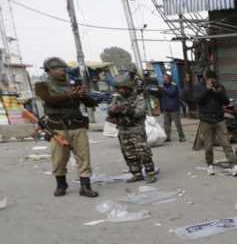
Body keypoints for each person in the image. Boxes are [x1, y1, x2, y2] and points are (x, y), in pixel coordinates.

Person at [34, 57, 98, 197]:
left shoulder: (73, 84)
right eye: (58, 69)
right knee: (59, 159)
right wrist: (69, 95)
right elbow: (49, 100)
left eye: (63, 69)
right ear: (49, 71)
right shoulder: (42, 85)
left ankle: (85, 186)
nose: (62, 71)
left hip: (77, 125)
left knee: (83, 157)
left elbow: (92, 104)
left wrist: (83, 95)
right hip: (58, 128)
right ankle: (61, 185)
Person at [108, 74, 157, 183]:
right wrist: (112, 111)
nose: (120, 90)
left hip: (136, 129)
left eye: (122, 88)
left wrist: (124, 109)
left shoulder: (138, 97)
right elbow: (110, 108)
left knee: (143, 152)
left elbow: (139, 112)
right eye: (118, 88)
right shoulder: (117, 97)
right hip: (123, 129)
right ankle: (137, 174)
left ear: (128, 87)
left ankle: (150, 173)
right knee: (129, 153)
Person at [194, 70, 235, 175]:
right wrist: (207, 90)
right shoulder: (199, 87)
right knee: (208, 146)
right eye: (210, 79)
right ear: (206, 78)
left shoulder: (220, 86)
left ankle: (233, 165)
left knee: (226, 143)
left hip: (219, 119)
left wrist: (219, 92)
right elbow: (198, 101)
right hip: (206, 120)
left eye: (214, 79)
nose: (212, 81)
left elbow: (226, 102)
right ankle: (210, 165)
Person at [160, 73, 185, 142]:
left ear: (169, 79)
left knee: (177, 123)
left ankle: (181, 136)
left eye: (166, 78)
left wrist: (163, 88)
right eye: (164, 78)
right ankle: (167, 137)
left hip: (174, 108)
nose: (165, 79)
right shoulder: (163, 86)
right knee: (166, 124)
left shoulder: (173, 85)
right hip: (166, 108)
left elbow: (171, 93)